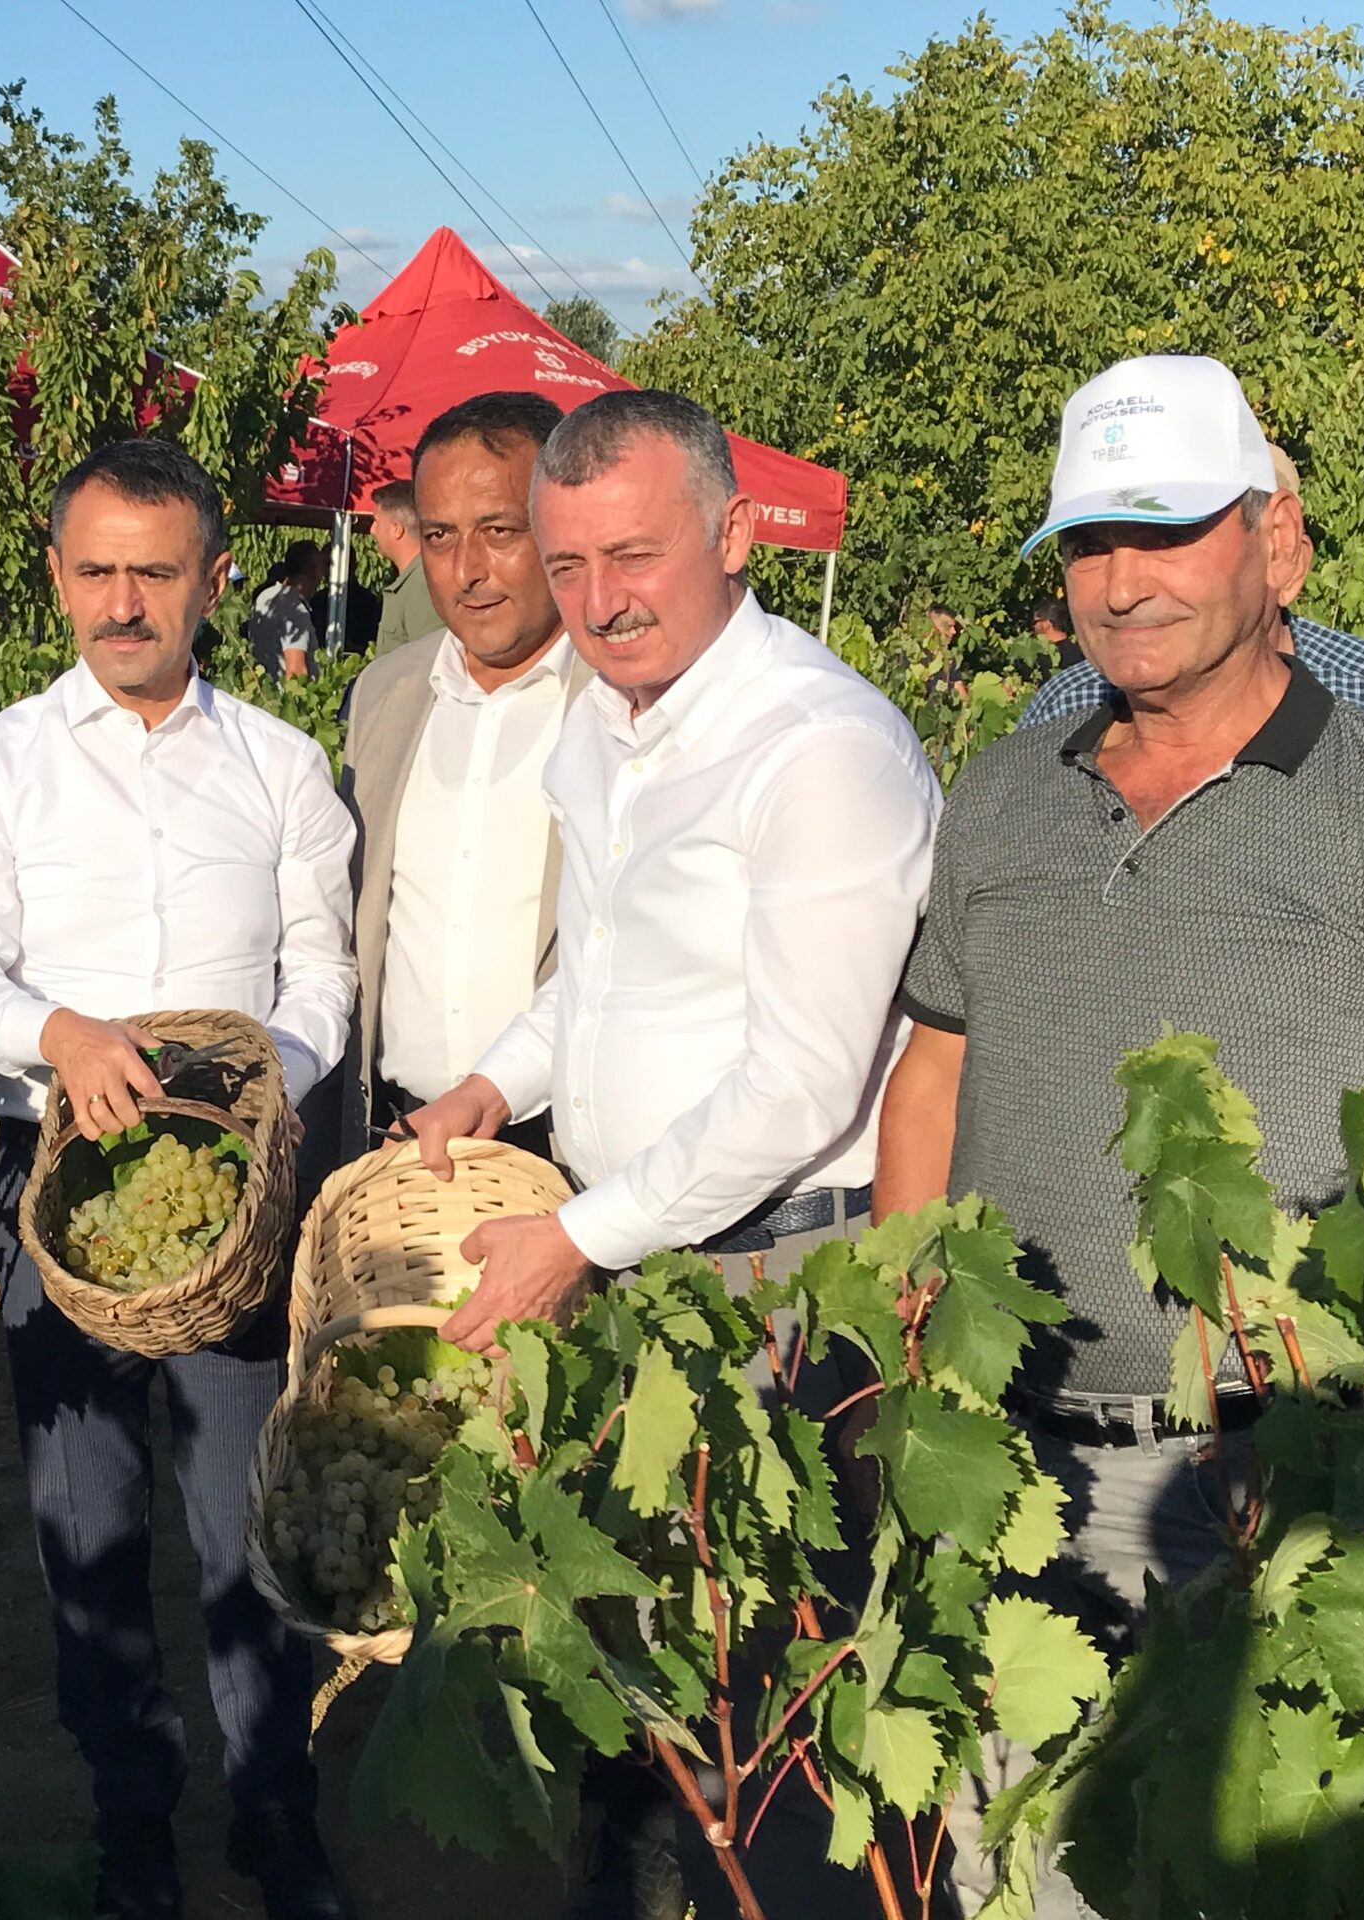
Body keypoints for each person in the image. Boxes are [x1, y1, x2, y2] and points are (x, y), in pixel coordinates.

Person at [879, 354, 1364, 1916]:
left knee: (1241, 1869)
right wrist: (912, 1354)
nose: (1120, 584)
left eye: (1167, 532)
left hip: (1277, 1471)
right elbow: (934, 1071)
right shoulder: (999, 796)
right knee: (1019, 1862)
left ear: (1275, 543)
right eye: (1088, 545)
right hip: (1019, 1450)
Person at [399, 390, 936, 1915]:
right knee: (655, 1642)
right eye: (568, 566)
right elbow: (601, 977)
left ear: (734, 534)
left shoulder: (817, 748)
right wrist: (492, 1088)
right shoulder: (603, 719)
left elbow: (801, 1078)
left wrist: (581, 1236)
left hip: (780, 1274)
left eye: (633, 557)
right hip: (649, 1251)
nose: (597, 601)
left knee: (779, 1679)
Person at [0, 441, 357, 1920]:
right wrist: (58, 1033)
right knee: (85, 1518)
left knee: (250, 1515)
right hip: (61, 1188)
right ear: (57, 574)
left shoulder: (283, 768)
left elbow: (324, 976)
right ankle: (131, 1817)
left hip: (239, 1203)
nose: (123, 603)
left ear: (214, 582)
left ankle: (272, 1804)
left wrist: (259, 1106)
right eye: (96, 570)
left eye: (155, 574)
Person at [339, 391, 583, 1164]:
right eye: (440, 536)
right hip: (399, 1136)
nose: (468, 570)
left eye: (500, 532)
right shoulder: (386, 694)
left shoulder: (616, 702)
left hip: (565, 1144)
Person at [1021, 441, 1364, 749]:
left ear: (1283, 547)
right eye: (1090, 548)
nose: (1123, 592)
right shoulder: (1064, 705)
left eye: (1173, 537)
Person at [368, 479, 440, 658]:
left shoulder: (423, 584)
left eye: (376, 522)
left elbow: (426, 665)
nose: (372, 530)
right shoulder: (413, 580)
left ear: (396, 530)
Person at [249, 541, 325, 680]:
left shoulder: (265, 596)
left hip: (262, 691)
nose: (323, 576)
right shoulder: (296, 610)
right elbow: (296, 671)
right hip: (282, 697)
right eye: (321, 568)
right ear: (312, 571)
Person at [1031, 592, 1079, 671]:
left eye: (1035, 622)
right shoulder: (1081, 652)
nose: (1033, 626)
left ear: (1046, 624)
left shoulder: (1040, 659)